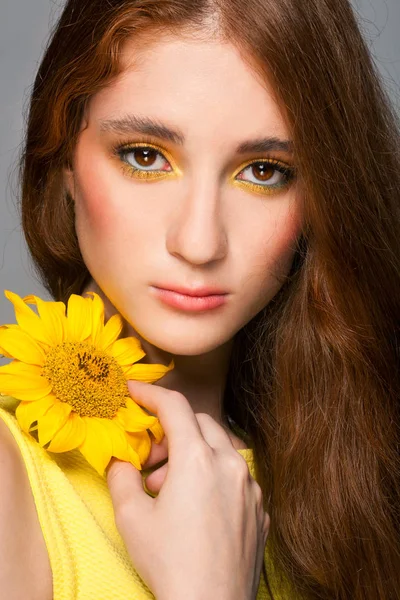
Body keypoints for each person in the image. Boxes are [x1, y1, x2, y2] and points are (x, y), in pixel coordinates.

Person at [0, 0, 399, 598]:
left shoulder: (362, 485)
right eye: (145, 156)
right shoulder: (11, 484)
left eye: (264, 171)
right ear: (61, 161)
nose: (199, 241)